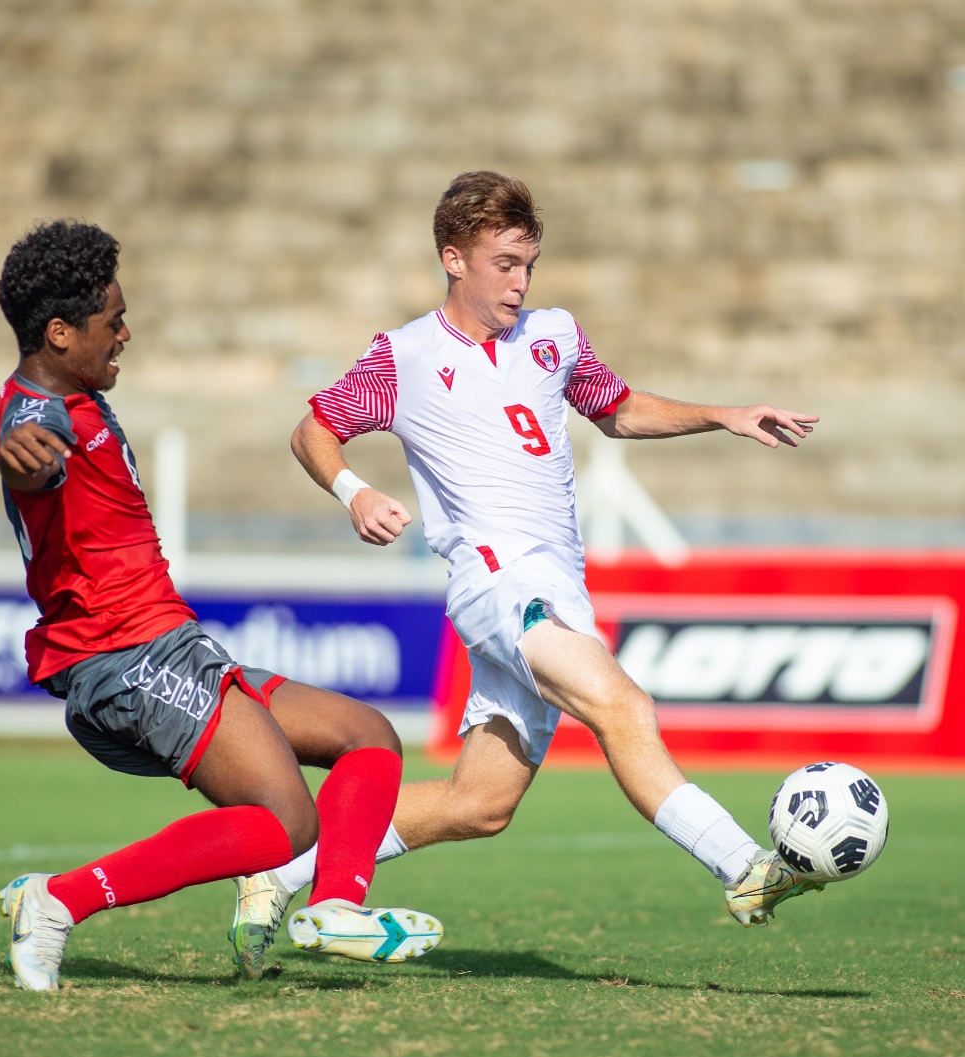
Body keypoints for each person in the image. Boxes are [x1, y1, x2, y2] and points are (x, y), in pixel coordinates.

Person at [233, 171, 825, 978]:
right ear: (454, 258)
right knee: (621, 701)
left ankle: (278, 871)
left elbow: (614, 407)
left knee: (481, 805)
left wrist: (722, 414)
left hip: (556, 586)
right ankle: (743, 868)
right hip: (495, 581)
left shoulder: (553, 335)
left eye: (529, 265)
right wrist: (355, 489)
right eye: (505, 263)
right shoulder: (403, 355)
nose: (520, 282)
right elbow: (313, 431)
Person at [0, 221, 441, 991]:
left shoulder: (75, 397)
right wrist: (20, 453)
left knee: (369, 738)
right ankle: (56, 902)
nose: (125, 332)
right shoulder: (38, 416)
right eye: (112, 320)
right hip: (123, 660)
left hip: (173, 645)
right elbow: (25, 446)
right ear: (60, 334)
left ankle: (332, 907)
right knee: (283, 823)